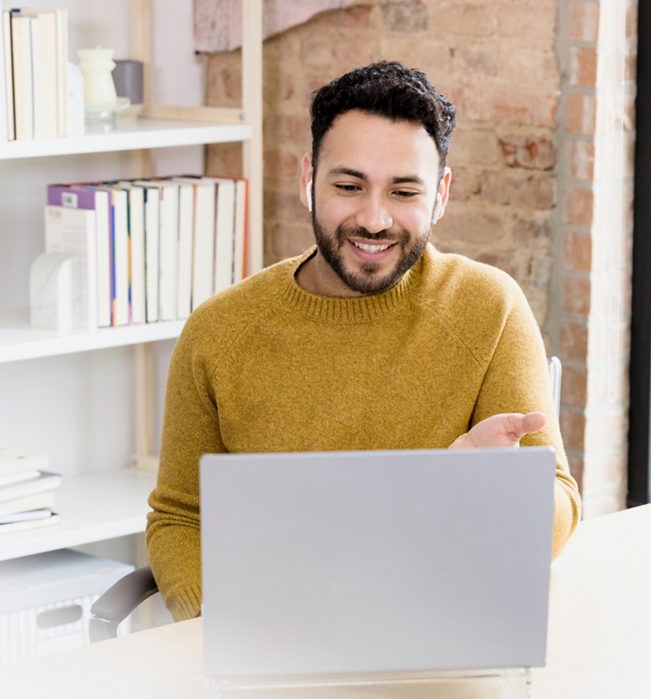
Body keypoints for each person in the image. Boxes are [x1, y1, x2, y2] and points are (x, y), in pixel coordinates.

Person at [147, 61, 581, 622]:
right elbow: (181, 518)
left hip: (443, 638)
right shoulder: (218, 333)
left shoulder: (487, 308)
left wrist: (477, 492)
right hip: (270, 649)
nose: (374, 219)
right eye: (349, 186)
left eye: (404, 191)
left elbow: (560, 510)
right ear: (308, 178)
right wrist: (224, 627)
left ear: (441, 194)